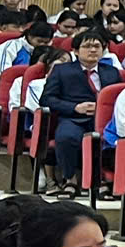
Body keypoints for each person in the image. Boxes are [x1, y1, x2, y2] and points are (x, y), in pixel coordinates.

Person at [39, 28, 119, 188]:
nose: (93, 50)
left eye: (97, 46)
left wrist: (102, 108)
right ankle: (70, 179)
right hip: (73, 118)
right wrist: (75, 107)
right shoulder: (62, 71)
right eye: (87, 46)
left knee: (113, 139)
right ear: (75, 51)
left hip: (105, 121)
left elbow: (119, 98)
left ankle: (102, 180)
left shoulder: (112, 72)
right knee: (66, 137)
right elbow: (47, 99)